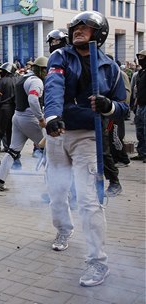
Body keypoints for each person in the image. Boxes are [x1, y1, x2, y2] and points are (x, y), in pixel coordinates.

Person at [44, 11, 128, 287]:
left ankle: (97, 262)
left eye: (86, 27)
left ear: (99, 33)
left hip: (88, 138)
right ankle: (63, 231)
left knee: (88, 199)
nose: (78, 30)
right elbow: (54, 85)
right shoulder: (60, 57)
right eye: (76, 26)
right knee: (57, 193)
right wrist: (52, 115)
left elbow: (124, 107)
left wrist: (109, 107)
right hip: (58, 132)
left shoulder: (111, 68)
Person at [0, 56, 48, 191]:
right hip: (30, 118)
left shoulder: (23, 78)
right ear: (41, 69)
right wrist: (41, 119)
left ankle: (0, 180)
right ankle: (53, 187)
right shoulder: (36, 82)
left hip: (18, 117)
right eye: (46, 70)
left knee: (12, 150)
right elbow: (33, 100)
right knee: (50, 150)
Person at [131, 49, 146, 162]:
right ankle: (142, 152)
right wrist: (135, 104)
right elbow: (138, 90)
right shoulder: (140, 73)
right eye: (139, 57)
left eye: (142, 57)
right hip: (140, 105)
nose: (140, 60)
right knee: (139, 129)